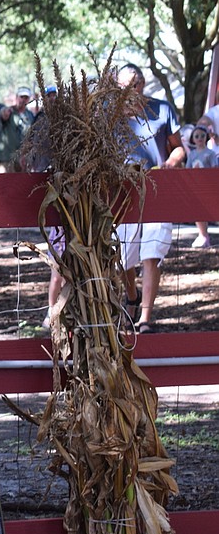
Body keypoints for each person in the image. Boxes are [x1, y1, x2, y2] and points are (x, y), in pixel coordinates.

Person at [116, 64, 186, 333]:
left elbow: (179, 148)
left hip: (158, 190)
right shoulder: (110, 115)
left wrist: (170, 163)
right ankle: (131, 296)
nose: (122, 93)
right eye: (118, 88)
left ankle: (145, 317)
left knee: (151, 254)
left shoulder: (163, 109)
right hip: (124, 194)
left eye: (128, 87)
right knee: (123, 258)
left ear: (141, 85)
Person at [185, 119, 216, 248]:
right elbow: (187, 169)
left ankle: (205, 235)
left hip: (208, 186)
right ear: (192, 138)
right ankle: (202, 234)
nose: (200, 138)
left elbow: (214, 168)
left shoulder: (211, 153)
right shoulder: (191, 154)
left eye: (202, 136)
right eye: (196, 136)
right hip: (195, 187)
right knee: (198, 211)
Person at [0, 86, 35, 172]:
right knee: (4, 183)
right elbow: (3, 114)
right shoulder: (9, 111)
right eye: (21, 97)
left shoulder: (30, 115)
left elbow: (32, 136)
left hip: (23, 158)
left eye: (26, 97)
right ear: (16, 97)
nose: (23, 100)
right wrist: (6, 113)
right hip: (7, 158)